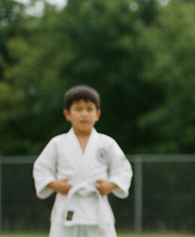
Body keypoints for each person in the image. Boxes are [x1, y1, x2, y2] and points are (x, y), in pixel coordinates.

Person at [33, 85, 133, 237]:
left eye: (89, 109)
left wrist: (111, 185)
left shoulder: (107, 143)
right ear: (67, 114)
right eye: (78, 109)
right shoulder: (57, 143)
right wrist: (55, 185)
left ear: (97, 114)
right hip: (66, 207)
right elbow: (41, 168)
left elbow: (123, 170)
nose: (84, 114)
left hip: (97, 210)